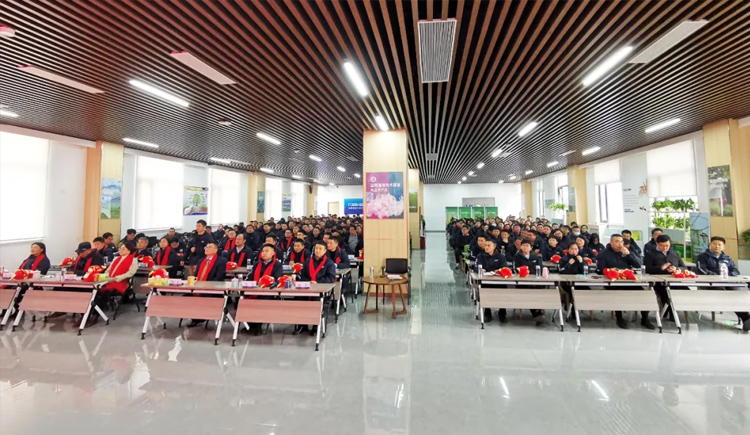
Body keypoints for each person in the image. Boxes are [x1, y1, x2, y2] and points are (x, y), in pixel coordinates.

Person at [596, 234, 652, 330]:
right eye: (617, 241)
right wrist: (614, 271)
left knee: (643, 293)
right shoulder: (603, 254)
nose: (620, 244)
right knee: (618, 294)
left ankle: (645, 318)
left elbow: (639, 265)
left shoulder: (626, 252)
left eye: (621, 241)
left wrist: (629, 255)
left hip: (628, 281)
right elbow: (601, 269)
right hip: (612, 282)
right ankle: (619, 318)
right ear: (611, 242)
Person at [696, 236, 749, 331]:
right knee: (724, 293)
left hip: (727, 283)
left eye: (719, 245)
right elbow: (701, 269)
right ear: (710, 244)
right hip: (710, 284)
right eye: (714, 244)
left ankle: (746, 319)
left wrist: (729, 274)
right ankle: (746, 318)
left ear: (723, 247)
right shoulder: (702, 257)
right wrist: (716, 275)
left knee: (735, 293)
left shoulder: (727, 258)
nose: (716, 246)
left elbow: (735, 271)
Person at [187, 242, 228, 327]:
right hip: (199, 287)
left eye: (210, 247)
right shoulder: (201, 261)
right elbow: (196, 276)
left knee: (203, 296)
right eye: (206, 247)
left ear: (215, 250)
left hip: (213, 288)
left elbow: (219, 277)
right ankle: (192, 316)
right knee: (185, 296)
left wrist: (206, 286)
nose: (207, 248)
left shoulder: (221, 261)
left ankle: (198, 318)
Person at [510, 239, 545, 325]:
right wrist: (523, 273)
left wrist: (530, 273)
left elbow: (540, 269)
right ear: (520, 247)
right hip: (521, 282)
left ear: (531, 247)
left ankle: (538, 311)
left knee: (540, 291)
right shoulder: (517, 257)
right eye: (523, 246)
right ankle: (536, 313)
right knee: (528, 291)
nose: (525, 247)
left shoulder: (536, 257)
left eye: (527, 246)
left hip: (535, 281)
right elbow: (515, 270)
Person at [475, 238, 507, 323]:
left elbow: (505, 267)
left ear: (494, 246)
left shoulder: (500, 256)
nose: (486, 247)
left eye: (489, 245)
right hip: (485, 280)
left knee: (504, 291)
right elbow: (476, 267)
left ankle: (502, 313)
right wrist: (480, 270)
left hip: (499, 281)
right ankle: (487, 312)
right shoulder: (480, 256)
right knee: (484, 290)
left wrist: (499, 271)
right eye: (485, 245)